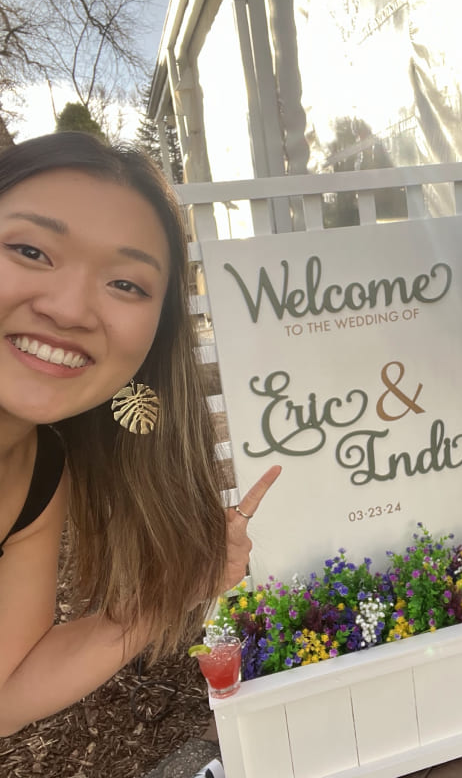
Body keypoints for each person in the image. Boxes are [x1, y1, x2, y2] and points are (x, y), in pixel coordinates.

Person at [0, 131, 280, 736]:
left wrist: (175, 593)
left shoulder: (38, 472)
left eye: (126, 284)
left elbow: (6, 686)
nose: (70, 309)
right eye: (29, 250)